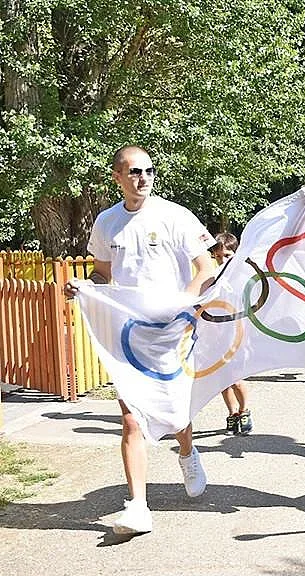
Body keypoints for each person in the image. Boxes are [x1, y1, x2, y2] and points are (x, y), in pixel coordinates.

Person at [63, 145, 216, 535]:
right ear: (117, 177)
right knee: (131, 418)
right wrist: (85, 288)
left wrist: (184, 305)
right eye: (133, 172)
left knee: (175, 410)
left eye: (148, 171)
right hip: (129, 334)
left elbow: (206, 267)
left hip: (172, 329)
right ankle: (138, 507)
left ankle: (187, 452)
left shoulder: (174, 216)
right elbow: (102, 275)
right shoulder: (107, 222)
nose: (142, 178)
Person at [211, 232, 253, 434]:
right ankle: (232, 412)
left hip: (238, 335)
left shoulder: (242, 279)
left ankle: (245, 410)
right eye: (218, 256)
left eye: (227, 255)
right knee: (222, 380)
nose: (222, 260)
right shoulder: (213, 278)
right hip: (217, 335)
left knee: (235, 378)